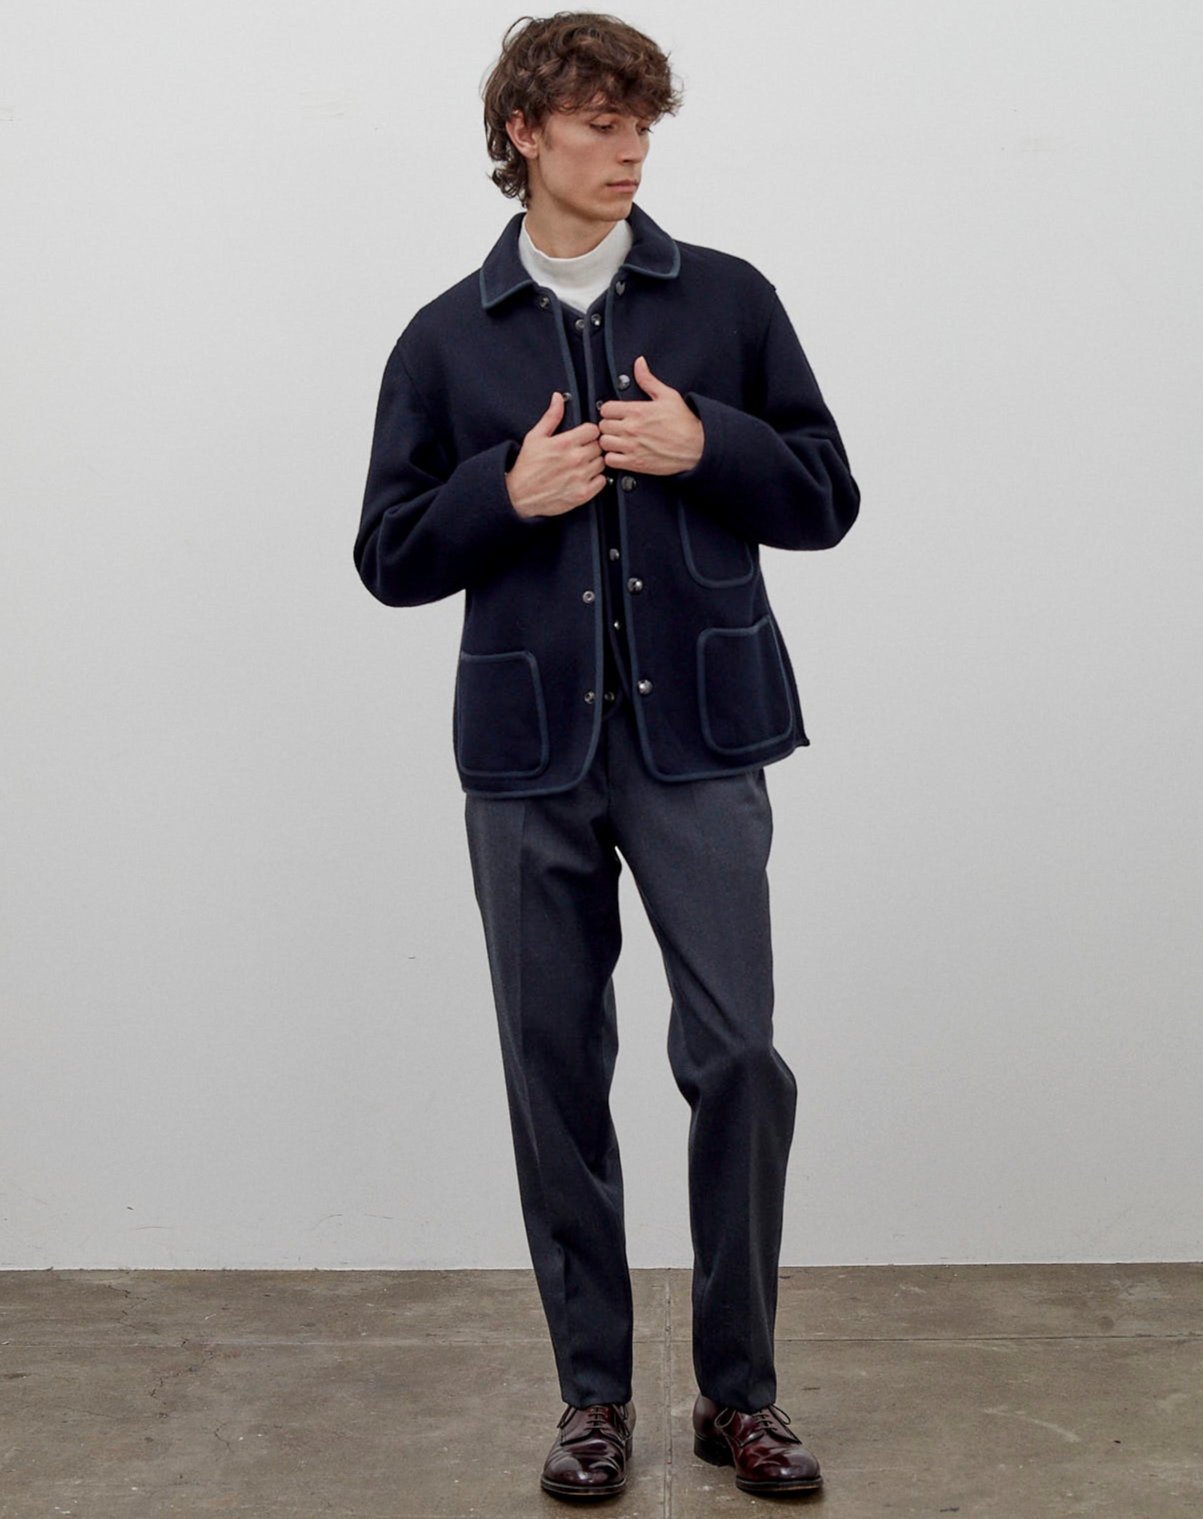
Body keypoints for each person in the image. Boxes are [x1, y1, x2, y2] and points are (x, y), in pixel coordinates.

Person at [354, 9, 860, 1502]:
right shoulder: (446, 337)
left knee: (740, 1057)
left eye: (642, 123)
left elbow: (825, 495)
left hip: (700, 739)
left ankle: (738, 1395)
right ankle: (591, 1399)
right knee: (553, 1075)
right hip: (526, 758)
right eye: (597, 123)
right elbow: (387, 556)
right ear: (523, 134)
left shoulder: (728, 301)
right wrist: (501, 494)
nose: (629, 149)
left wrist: (711, 446)